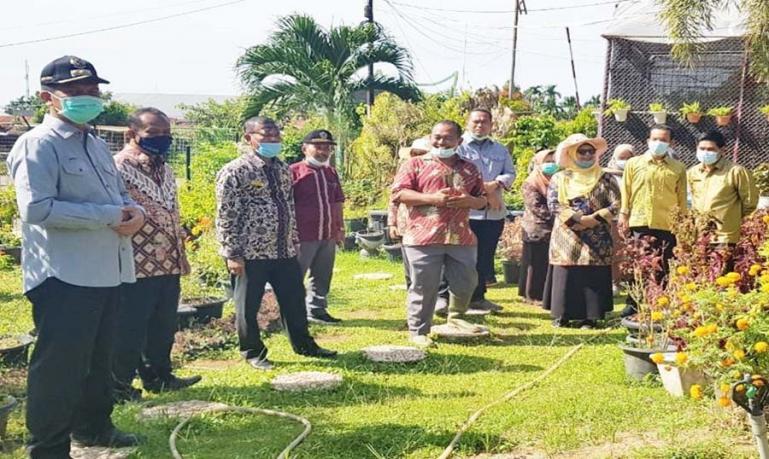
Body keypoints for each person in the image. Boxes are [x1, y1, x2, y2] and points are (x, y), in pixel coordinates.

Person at [7, 56, 144, 457]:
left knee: (99, 360)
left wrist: (135, 212)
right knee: (60, 366)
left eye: (92, 90)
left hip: (106, 269)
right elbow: (36, 209)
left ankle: (94, 428)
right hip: (64, 275)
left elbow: (118, 195)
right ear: (47, 97)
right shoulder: (38, 144)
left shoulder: (96, 144)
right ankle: (48, 447)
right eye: (75, 91)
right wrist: (109, 216)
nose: (87, 96)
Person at [216, 116, 336, 370]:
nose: (273, 140)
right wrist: (232, 253)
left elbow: (289, 206)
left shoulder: (282, 168)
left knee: (294, 299)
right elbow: (226, 214)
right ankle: (253, 352)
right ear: (249, 138)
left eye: (276, 135)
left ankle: (304, 344)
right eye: (266, 135)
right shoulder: (235, 171)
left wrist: (294, 240)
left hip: (283, 250)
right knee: (248, 306)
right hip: (250, 252)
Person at [112, 108, 202, 403]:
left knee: (163, 325)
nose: (162, 138)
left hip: (168, 260)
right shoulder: (117, 167)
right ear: (132, 133)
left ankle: (160, 377)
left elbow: (171, 211)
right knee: (130, 327)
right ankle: (119, 387)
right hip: (135, 263)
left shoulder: (164, 168)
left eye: (166, 133)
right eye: (153, 133)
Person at [391, 120, 488, 347]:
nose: (441, 142)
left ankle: (457, 317)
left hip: (461, 236)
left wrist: (469, 201)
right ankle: (418, 331)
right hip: (423, 236)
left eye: (447, 138)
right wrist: (432, 199)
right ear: (430, 137)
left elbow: (483, 199)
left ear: (459, 141)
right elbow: (399, 194)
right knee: (424, 285)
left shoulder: (470, 168)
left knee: (467, 281)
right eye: (437, 137)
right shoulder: (414, 164)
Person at [543, 134, 620, 329]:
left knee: (593, 274)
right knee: (567, 273)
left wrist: (593, 219)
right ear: (571, 153)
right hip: (567, 235)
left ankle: (591, 317)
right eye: (582, 151)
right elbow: (554, 204)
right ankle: (563, 315)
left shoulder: (605, 177)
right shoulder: (560, 177)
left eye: (590, 151)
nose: (587, 155)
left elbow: (617, 204)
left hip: (597, 235)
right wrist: (576, 220)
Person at [618, 125, 686, 317]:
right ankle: (633, 304)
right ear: (648, 141)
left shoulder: (678, 168)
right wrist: (624, 214)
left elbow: (681, 197)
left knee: (664, 265)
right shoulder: (634, 163)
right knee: (640, 264)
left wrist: (682, 223)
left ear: (671, 143)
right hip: (641, 222)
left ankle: (660, 304)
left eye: (663, 140)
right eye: (655, 139)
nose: (658, 143)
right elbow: (626, 190)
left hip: (667, 224)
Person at [457, 108, 515, 313]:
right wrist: (485, 191)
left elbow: (510, 173)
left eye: (484, 122)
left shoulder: (500, 149)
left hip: (493, 214)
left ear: (491, 125)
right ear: (468, 123)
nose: (480, 125)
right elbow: (457, 176)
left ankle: (478, 298)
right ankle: (458, 298)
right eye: (476, 121)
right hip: (467, 213)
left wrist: (495, 184)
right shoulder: (458, 148)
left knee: (484, 257)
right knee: (464, 257)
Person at [388, 137, 451, 316]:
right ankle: (414, 300)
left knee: (438, 265)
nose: (418, 156)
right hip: (407, 227)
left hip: (433, 226)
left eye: (422, 153)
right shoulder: (405, 170)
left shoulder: (441, 172)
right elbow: (393, 199)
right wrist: (392, 223)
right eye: (415, 153)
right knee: (411, 268)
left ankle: (440, 298)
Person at [290, 130, 345, 325]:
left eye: (327, 148)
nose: (323, 152)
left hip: (327, 233)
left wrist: (340, 228)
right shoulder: (293, 172)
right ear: (305, 148)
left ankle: (316, 309)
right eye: (318, 147)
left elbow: (338, 201)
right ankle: (291, 313)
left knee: (322, 275)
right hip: (302, 235)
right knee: (295, 276)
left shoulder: (331, 173)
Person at [687, 130, 758, 270]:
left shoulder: (736, 172)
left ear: (722, 150)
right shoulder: (692, 173)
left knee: (722, 275)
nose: (705, 152)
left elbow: (750, 202)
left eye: (710, 149)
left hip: (724, 236)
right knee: (700, 274)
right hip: (699, 235)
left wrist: (731, 219)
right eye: (702, 148)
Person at [518, 149, 556, 302]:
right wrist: (559, 218)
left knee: (543, 263)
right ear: (538, 163)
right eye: (547, 161)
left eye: (553, 161)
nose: (551, 164)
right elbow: (536, 206)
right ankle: (533, 295)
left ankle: (537, 293)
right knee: (534, 263)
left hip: (551, 228)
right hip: (536, 228)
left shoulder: (555, 180)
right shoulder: (531, 182)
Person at [604, 143, 635, 295]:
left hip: (634, 218)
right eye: (622, 158)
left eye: (629, 158)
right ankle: (614, 282)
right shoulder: (607, 175)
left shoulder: (636, 173)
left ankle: (628, 282)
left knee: (629, 252)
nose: (625, 161)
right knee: (615, 252)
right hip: (613, 219)